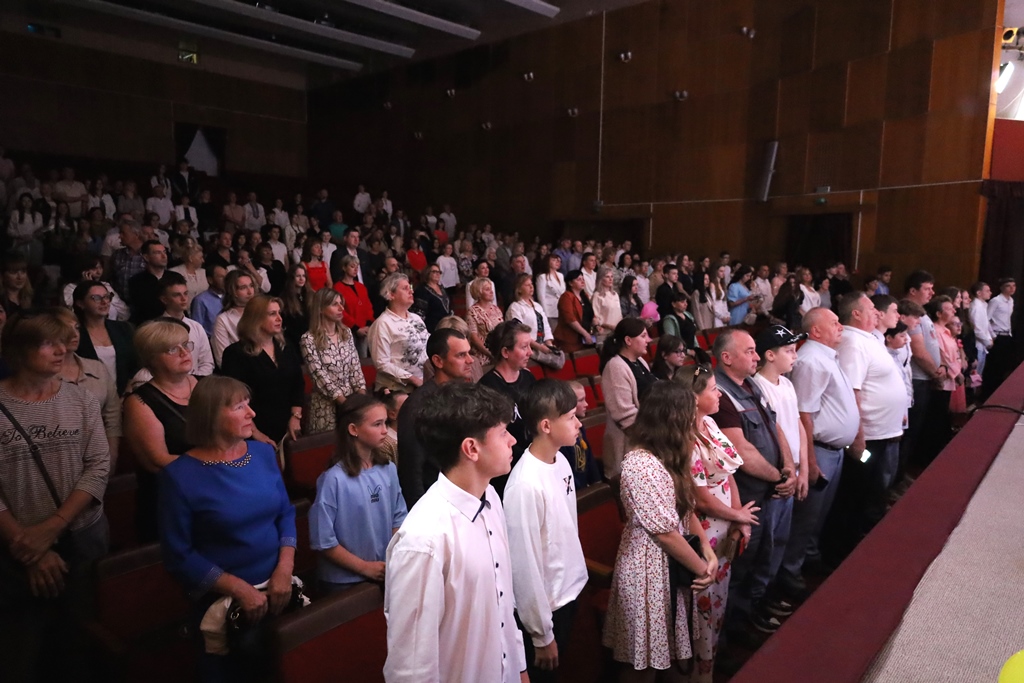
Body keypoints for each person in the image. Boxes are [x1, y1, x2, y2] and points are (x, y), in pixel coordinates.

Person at [384, 382, 527, 682]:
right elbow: (411, 667)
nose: (513, 440)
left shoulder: (490, 496)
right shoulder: (424, 540)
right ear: (471, 448)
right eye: (503, 432)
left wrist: (520, 668)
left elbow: (503, 603)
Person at [158, 376, 298, 682]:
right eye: (239, 407)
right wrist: (240, 589)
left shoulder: (262, 454)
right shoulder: (179, 476)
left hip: (279, 590)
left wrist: (285, 569)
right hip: (225, 604)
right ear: (211, 416)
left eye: (248, 404)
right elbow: (178, 555)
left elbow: (285, 512)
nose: (252, 413)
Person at [0, 310, 111, 682]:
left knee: (80, 644)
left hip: (80, 537)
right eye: (48, 343)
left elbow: (98, 466)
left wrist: (51, 529)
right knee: (22, 651)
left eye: (62, 341)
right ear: (18, 349)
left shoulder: (80, 399)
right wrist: (25, 544)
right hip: (14, 548)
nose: (62, 350)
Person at [602, 381, 717, 678]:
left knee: (665, 660)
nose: (695, 420)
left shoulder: (667, 455)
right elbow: (664, 533)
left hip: (671, 563)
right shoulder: (641, 465)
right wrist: (702, 569)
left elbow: (685, 508)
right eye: (691, 412)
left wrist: (706, 549)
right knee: (642, 667)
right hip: (647, 572)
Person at [675, 364, 761, 682]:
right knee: (703, 608)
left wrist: (739, 518)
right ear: (694, 398)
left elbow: (727, 473)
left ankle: (711, 664)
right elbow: (699, 499)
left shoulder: (710, 424)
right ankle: (700, 674)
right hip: (704, 531)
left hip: (725, 523)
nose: (720, 394)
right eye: (713, 389)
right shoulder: (685, 439)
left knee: (718, 604)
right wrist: (737, 515)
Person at [710, 328, 797, 635]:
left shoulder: (750, 384)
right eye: (749, 351)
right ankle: (735, 629)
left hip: (768, 490)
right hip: (748, 497)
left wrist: (788, 466)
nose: (757, 356)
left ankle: (754, 608)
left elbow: (775, 426)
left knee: (764, 557)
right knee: (742, 566)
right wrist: (779, 477)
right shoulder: (720, 394)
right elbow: (741, 451)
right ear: (726, 358)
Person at [505, 379, 587, 683]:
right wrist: (541, 633)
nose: (579, 423)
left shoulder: (561, 460)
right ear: (546, 425)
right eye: (571, 417)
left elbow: (567, 529)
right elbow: (524, 565)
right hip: (546, 608)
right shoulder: (525, 484)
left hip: (568, 591)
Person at [780, 308, 859, 597]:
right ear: (815, 331)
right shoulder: (811, 360)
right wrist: (810, 461)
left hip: (833, 451)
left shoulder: (826, 356)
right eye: (834, 323)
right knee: (805, 517)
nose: (841, 327)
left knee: (818, 516)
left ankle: (807, 560)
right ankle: (789, 572)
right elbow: (803, 414)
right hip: (819, 451)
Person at [309, 394, 407, 594]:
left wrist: (391, 559)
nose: (385, 430)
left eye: (385, 423)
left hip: (383, 571)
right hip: (344, 581)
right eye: (377, 424)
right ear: (353, 429)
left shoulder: (387, 468)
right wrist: (364, 567)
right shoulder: (333, 479)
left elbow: (399, 518)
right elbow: (323, 540)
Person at [834, 293, 907, 545]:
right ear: (856, 313)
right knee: (860, 493)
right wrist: (858, 437)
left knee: (876, 491)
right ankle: (851, 546)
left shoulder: (868, 338)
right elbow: (851, 392)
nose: (877, 311)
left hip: (884, 432)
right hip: (869, 437)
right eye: (871, 308)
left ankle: (868, 536)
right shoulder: (853, 342)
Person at [122, 319, 198, 543]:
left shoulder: (203, 385)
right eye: (173, 349)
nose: (184, 352)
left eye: (186, 344)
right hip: (171, 502)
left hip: (211, 492)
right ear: (152, 358)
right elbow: (158, 460)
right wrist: (218, 463)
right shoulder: (139, 402)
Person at [396, 329, 475, 507]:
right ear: (438, 361)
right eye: (461, 355)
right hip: (436, 503)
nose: (470, 360)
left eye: (469, 353)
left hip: (466, 496)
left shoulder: (465, 395)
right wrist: (421, 512)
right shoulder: (417, 406)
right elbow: (411, 470)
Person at [220, 296, 304, 445]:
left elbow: (298, 383)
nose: (279, 318)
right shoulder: (235, 353)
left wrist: (296, 416)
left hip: (288, 425)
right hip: (253, 429)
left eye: (279, 313)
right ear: (255, 318)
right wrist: (254, 432)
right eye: (272, 314)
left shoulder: (286, 346)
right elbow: (234, 399)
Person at [53, 307, 121, 467]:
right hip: (60, 459)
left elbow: (112, 417)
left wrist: (112, 455)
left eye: (77, 328)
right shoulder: (44, 375)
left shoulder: (97, 368)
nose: (74, 334)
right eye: (65, 329)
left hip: (100, 454)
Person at [479, 321, 537, 497]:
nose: (530, 352)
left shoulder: (528, 378)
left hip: (535, 463)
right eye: (524, 347)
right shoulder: (487, 388)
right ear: (505, 352)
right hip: (509, 472)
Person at [299, 288, 366, 434]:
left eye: (341, 303)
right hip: (325, 407)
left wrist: (361, 399)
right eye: (335, 304)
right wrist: (345, 403)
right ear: (321, 309)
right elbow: (319, 376)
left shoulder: (346, 332)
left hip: (351, 403)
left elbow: (355, 366)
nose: (341, 308)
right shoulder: (308, 339)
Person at [600, 318, 654, 478]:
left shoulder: (640, 361)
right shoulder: (615, 367)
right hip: (630, 446)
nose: (649, 340)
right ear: (628, 340)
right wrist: (653, 438)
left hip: (647, 440)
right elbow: (624, 415)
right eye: (643, 336)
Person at [367, 273, 429, 393]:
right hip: (396, 389)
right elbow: (382, 363)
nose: (411, 291)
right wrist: (414, 379)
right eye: (405, 288)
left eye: (410, 287)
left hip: (423, 384)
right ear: (391, 294)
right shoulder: (383, 323)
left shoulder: (416, 318)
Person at [73, 281, 138, 394]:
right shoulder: (75, 333)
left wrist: (127, 392)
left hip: (124, 394)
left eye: (107, 297)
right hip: (89, 395)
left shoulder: (124, 328)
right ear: (80, 303)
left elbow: (134, 364)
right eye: (96, 298)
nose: (104, 302)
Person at [506, 273, 564, 370]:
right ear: (519, 289)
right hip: (526, 349)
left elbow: (546, 327)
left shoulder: (537, 306)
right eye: (527, 285)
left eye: (531, 284)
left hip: (542, 346)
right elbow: (519, 332)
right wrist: (539, 347)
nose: (531, 287)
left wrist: (549, 346)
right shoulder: (515, 307)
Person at [62, 253, 129, 321]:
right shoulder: (70, 288)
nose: (99, 272)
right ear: (84, 271)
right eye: (94, 268)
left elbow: (124, 312)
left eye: (100, 268)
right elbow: (74, 312)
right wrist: (88, 285)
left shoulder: (106, 285)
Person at [211, 270, 255, 367]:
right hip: (241, 368)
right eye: (243, 288)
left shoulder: (262, 312)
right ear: (233, 291)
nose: (250, 292)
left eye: (251, 286)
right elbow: (222, 358)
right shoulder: (223, 319)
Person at [333, 254, 374, 356]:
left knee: (364, 358)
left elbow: (368, 306)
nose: (356, 269)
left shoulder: (361, 287)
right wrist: (355, 328)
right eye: (352, 266)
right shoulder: (338, 287)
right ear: (344, 267)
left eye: (357, 266)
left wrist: (368, 323)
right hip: (348, 330)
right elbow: (341, 311)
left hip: (364, 329)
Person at [983, 277, 1016, 399]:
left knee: (1003, 366)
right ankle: (987, 393)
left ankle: (997, 392)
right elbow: (986, 319)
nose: (1012, 288)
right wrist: (992, 335)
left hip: (1007, 335)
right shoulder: (996, 301)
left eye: (1014, 286)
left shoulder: (1011, 300)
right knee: (993, 366)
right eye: (1008, 286)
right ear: (1002, 288)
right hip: (997, 335)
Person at [466, 276, 505, 366]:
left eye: (491, 289)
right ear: (479, 293)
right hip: (482, 356)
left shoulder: (496, 309)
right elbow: (474, 338)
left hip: (499, 352)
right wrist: (490, 354)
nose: (491, 292)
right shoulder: (472, 312)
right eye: (487, 289)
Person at [554, 269, 594, 353]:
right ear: (570, 283)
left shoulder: (585, 296)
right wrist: (585, 333)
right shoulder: (566, 297)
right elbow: (570, 319)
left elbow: (590, 314)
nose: (582, 281)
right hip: (569, 339)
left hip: (585, 339)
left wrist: (596, 324)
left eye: (583, 279)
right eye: (579, 279)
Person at [412, 264, 452, 333]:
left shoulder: (442, 288)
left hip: (446, 327)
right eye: (434, 272)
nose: (438, 274)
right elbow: (419, 314)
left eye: (439, 272)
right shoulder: (422, 290)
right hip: (431, 329)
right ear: (427, 273)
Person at [280, 264, 312, 347]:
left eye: (303, 276)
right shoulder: (285, 298)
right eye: (298, 276)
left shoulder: (311, 295)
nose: (301, 279)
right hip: (295, 340)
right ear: (292, 278)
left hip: (311, 337)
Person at [191, 264, 226, 338]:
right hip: (210, 340)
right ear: (210, 280)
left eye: (226, 276)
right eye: (221, 277)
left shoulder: (231, 296)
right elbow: (197, 328)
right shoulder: (200, 300)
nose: (225, 280)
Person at [592, 266, 622, 345]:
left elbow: (619, 314)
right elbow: (595, 317)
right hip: (604, 334)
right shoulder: (597, 295)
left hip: (617, 332)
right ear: (601, 279)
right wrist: (609, 326)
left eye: (612, 276)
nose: (610, 279)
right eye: (607, 277)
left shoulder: (615, 294)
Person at [968, 281, 993, 377]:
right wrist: (987, 341)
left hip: (983, 345)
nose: (990, 293)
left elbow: (986, 325)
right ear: (979, 293)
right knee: (974, 374)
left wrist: (990, 337)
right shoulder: (975, 306)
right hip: (977, 345)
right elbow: (976, 328)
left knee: (978, 374)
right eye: (987, 291)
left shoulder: (983, 305)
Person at [1, 250, 34, 316]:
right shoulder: (2, 302)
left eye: (23, 271)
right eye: (14, 272)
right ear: (3, 275)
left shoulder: (33, 298)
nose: (20, 277)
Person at [537, 253, 566, 328]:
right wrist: (545, 314)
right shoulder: (542, 277)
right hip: (550, 310)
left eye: (558, 261)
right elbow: (541, 297)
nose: (557, 262)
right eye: (554, 260)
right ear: (547, 262)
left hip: (561, 309)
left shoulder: (561, 275)